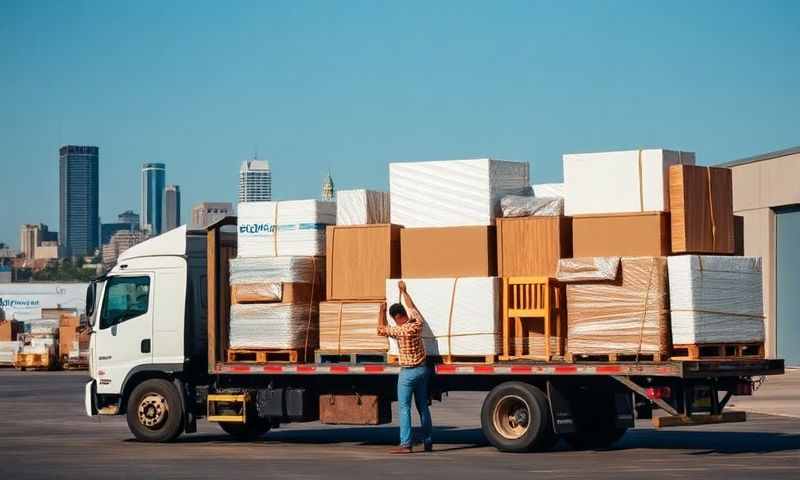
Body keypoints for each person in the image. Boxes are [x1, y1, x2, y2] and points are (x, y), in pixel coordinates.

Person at [378, 280, 433, 454]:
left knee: (404, 408)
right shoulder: (417, 325)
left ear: (396, 317)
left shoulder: (399, 331)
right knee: (423, 406)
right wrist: (404, 292)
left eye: (393, 318)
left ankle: (406, 444)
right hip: (423, 370)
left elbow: (380, 329)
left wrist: (381, 311)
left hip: (408, 373)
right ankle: (428, 440)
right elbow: (413, 309)